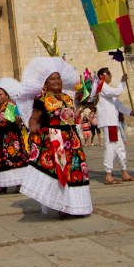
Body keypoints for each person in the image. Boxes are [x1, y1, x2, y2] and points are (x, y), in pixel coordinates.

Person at [19, 59, 91, 217]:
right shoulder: (42, 99)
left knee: (75, 171)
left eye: (58, 78)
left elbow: (71, 117)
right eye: (52, 79)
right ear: (46, 83)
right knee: (61, 172)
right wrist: (32, 127)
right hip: (55, 139)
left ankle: (77, 206)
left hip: (72, 140)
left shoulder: (67, 98)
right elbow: (34, 118)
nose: (56, 81)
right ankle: (62, 206)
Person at [95, 68, 134, 184]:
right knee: (111, 147)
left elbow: (117, 104)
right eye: (108, 73)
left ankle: (124, 172)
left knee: (120, 147)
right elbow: (116, 92)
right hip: (109, 122)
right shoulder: (101, 86)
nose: (110, 75)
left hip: (114, 122)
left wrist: (129, 112)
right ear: (101, 76)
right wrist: (123, 82)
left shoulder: (108, 88)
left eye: (110, 73)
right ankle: (108, 175)